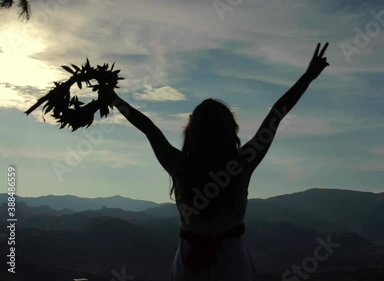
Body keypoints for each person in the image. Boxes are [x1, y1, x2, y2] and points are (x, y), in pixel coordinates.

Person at [106, 42, 330, 281]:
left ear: (192, 132)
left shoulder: (179, 165)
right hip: (233, 268)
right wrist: (308, 77)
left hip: (187, 269)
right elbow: (277, 114)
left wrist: (114, 98)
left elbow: (148, 127)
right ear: (229, 129)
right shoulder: (242, 164)